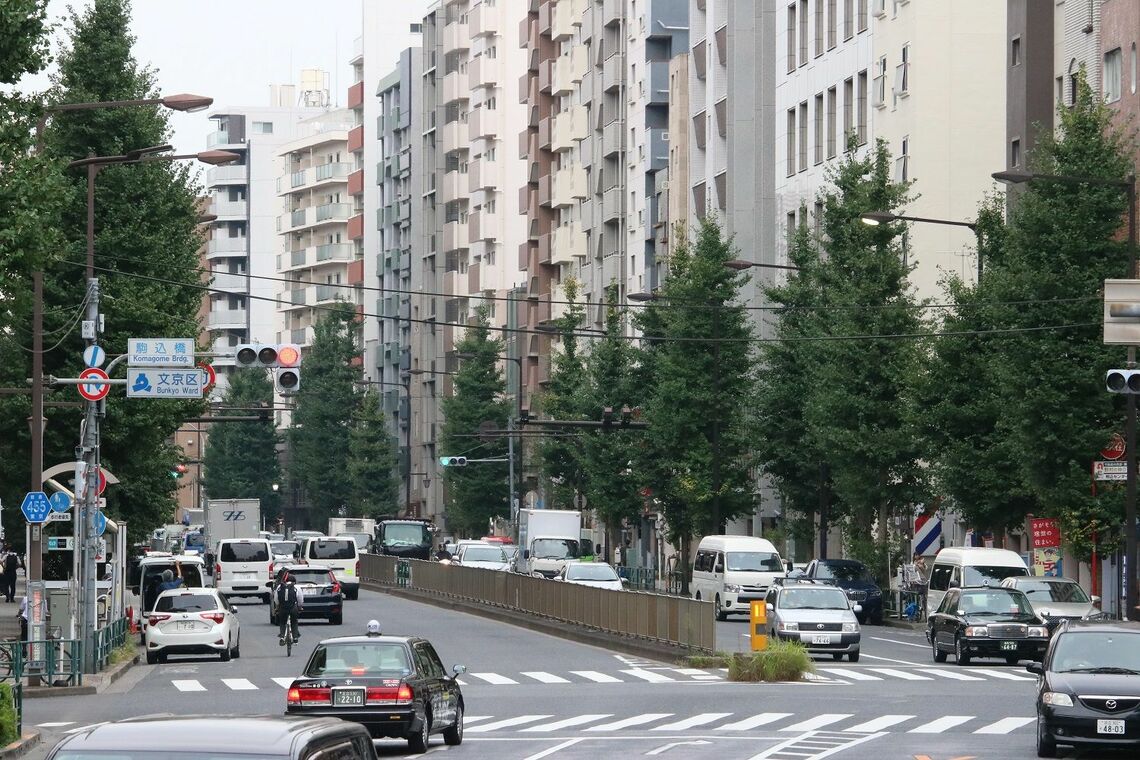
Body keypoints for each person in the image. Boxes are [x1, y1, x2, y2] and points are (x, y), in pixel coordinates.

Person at [275, 572, 304, 645]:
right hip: (293, 608)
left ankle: (282, 637)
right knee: (294, 621)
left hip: (282, 608)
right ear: (294, 581)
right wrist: (300, 607)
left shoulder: (280, 587)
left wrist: (278, 606)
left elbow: (276, 599)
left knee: (282, 622)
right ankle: (295, 638)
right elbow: (300, 599)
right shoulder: (296, 587)